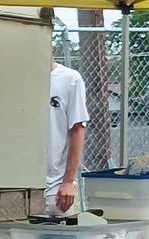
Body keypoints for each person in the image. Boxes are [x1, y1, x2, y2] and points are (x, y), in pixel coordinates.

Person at [46, 60, 90, 216]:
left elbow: (77, 129)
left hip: (54, 187)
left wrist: (68, 182)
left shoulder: (70, 78)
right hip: (19, 186)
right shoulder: (15, 78)